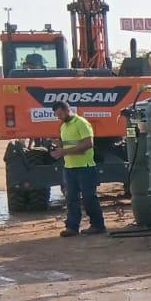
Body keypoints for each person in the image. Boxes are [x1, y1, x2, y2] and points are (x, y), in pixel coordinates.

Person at [50, 101, 105, 237]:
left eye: (60, 114)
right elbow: (75, 143)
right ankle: (72, 227)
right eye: (57, 115)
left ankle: (98, 225)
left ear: (67, 110)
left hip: (85, 167)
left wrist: (64, 151)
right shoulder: (64, 126)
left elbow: (88, 144)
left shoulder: (81, 123)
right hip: (70, 168)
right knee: (71, 199)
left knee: (89, 198)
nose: (59, 117)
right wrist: (61, 144)